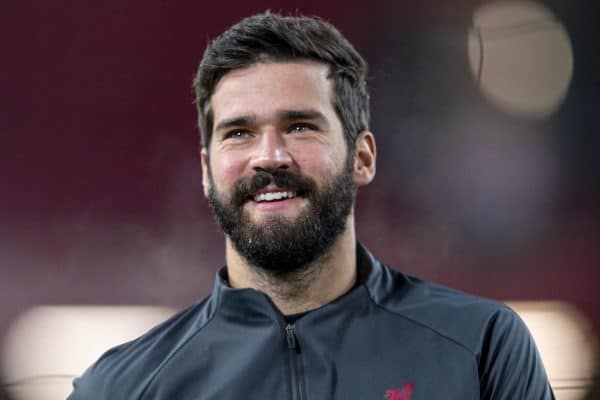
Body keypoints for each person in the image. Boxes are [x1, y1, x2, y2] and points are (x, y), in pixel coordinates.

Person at [68, 11, 555, 399]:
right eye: (239, 133)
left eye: (301, 127)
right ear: (205, 171)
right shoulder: (121, 388)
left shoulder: (480, 347)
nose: (270, 157)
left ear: (362, 157)